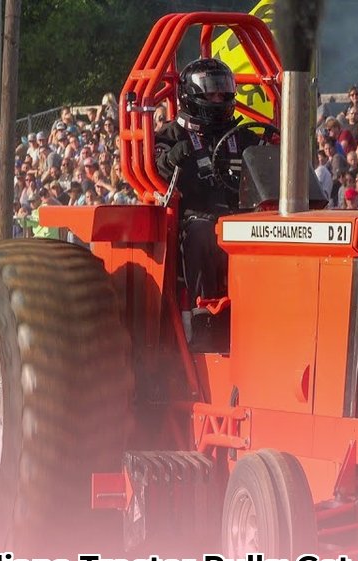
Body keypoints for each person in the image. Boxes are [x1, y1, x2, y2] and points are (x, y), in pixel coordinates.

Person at [154, 58, 258, 347]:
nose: (218, 99)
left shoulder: (242, 135)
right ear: (192, 95)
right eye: (211, 93)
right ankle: (202, 320)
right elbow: (156, 168)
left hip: (240, 218)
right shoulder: (170, 135)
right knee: (201, 232)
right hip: (193, 219)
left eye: (223, 93)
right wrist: (172, 158)